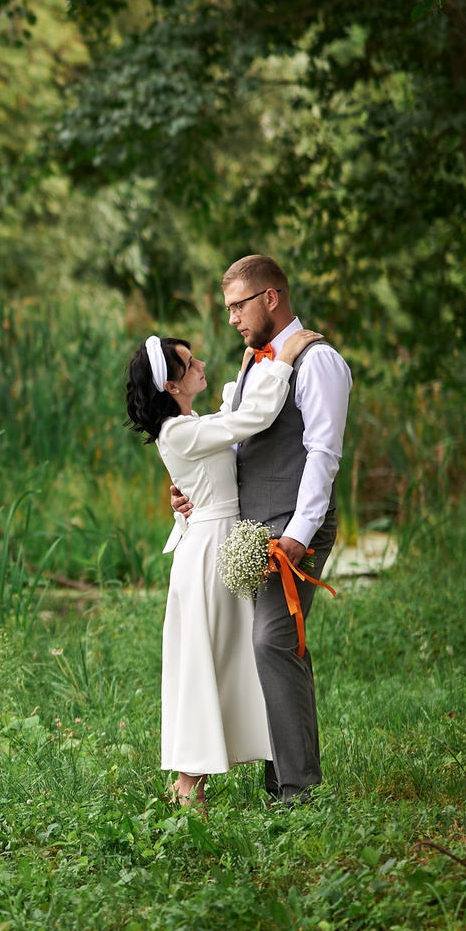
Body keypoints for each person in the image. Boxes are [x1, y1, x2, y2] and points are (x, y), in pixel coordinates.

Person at [170, 255, 352, 806]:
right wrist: (194, 492)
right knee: (274, 646)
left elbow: (324, 453)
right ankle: (281, 774)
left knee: (272, 640)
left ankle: (297, 791)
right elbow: (235, 440)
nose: (231, 320)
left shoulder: (319, 362)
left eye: (238, 306)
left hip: (294, 530)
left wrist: (300, 532)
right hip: (248, 530)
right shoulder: (254, 362)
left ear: (270, 297)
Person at [126, 331, 311, 811]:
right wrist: (282, 362)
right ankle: (189, 785)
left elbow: (225, 427)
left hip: (216, 541)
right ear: (171, 385)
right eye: (190, 364)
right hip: (209, 553)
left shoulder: (190, 424)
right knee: (205, 661)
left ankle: (203, 779)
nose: (201, 364)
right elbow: (250, 419)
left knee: (228, 661)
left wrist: (250, 370)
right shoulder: (179, 431)